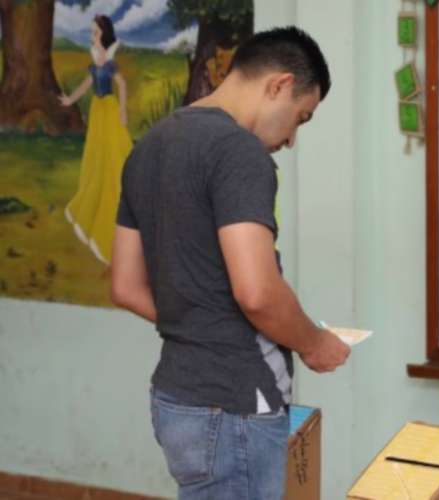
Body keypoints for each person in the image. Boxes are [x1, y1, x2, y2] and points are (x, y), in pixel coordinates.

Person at [110, 27, 350, 499]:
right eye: (300, 118)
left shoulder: (148, 147)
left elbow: (124, 284)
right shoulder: (239, 151)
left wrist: (201, 322)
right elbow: (257, 292)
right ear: (279, 85)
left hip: (176, 397)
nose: (292, 138)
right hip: (235, 402)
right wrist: (315, 342)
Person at [60, 15, 132, 264]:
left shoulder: (110, 59)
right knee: (97, 152)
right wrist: (70, 99)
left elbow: (121, 85)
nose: (92, 35)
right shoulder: (94, 58)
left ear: (103, 32)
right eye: (91, 32)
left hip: (110, 109)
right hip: (97, 110)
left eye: (94, 32)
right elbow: (88, 83)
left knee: (115, 151)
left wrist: (122, 110)